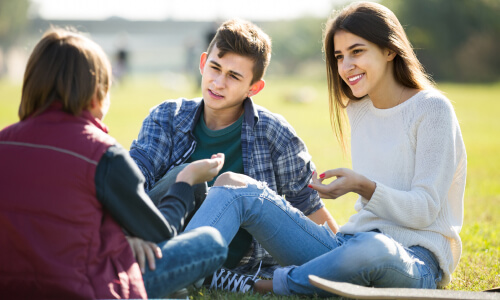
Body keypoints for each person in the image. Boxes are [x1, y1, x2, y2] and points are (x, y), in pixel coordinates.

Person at [185, 2, 467, 296]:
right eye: (339, 56)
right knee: (234, 185)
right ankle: (172, 272)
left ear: (389, 50)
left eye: (357, 52)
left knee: (372, 247)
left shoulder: (433, 109)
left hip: (415, 262)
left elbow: (424, 210)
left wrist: (363, 186)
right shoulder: (359, 109)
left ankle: (261, 285)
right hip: (349, 245)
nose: (345, 67)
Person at [0, 27, 227, 299]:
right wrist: (185, 181)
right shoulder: (102, 153)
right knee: (211, 243)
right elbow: (160, 234)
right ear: (98, 94)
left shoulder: (5, 142)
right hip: (88, 289)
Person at [129, 18, 338, 281]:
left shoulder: (276, 134)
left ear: (254, 88)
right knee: (183, 176)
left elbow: (308, 209)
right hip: (161, 240)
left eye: (233, 76)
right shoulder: (167, 117)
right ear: (203, 63)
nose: (218, 83)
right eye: (215, 68)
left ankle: (197, 273)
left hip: (240, 263)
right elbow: (135, 176)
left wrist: (344, 255)